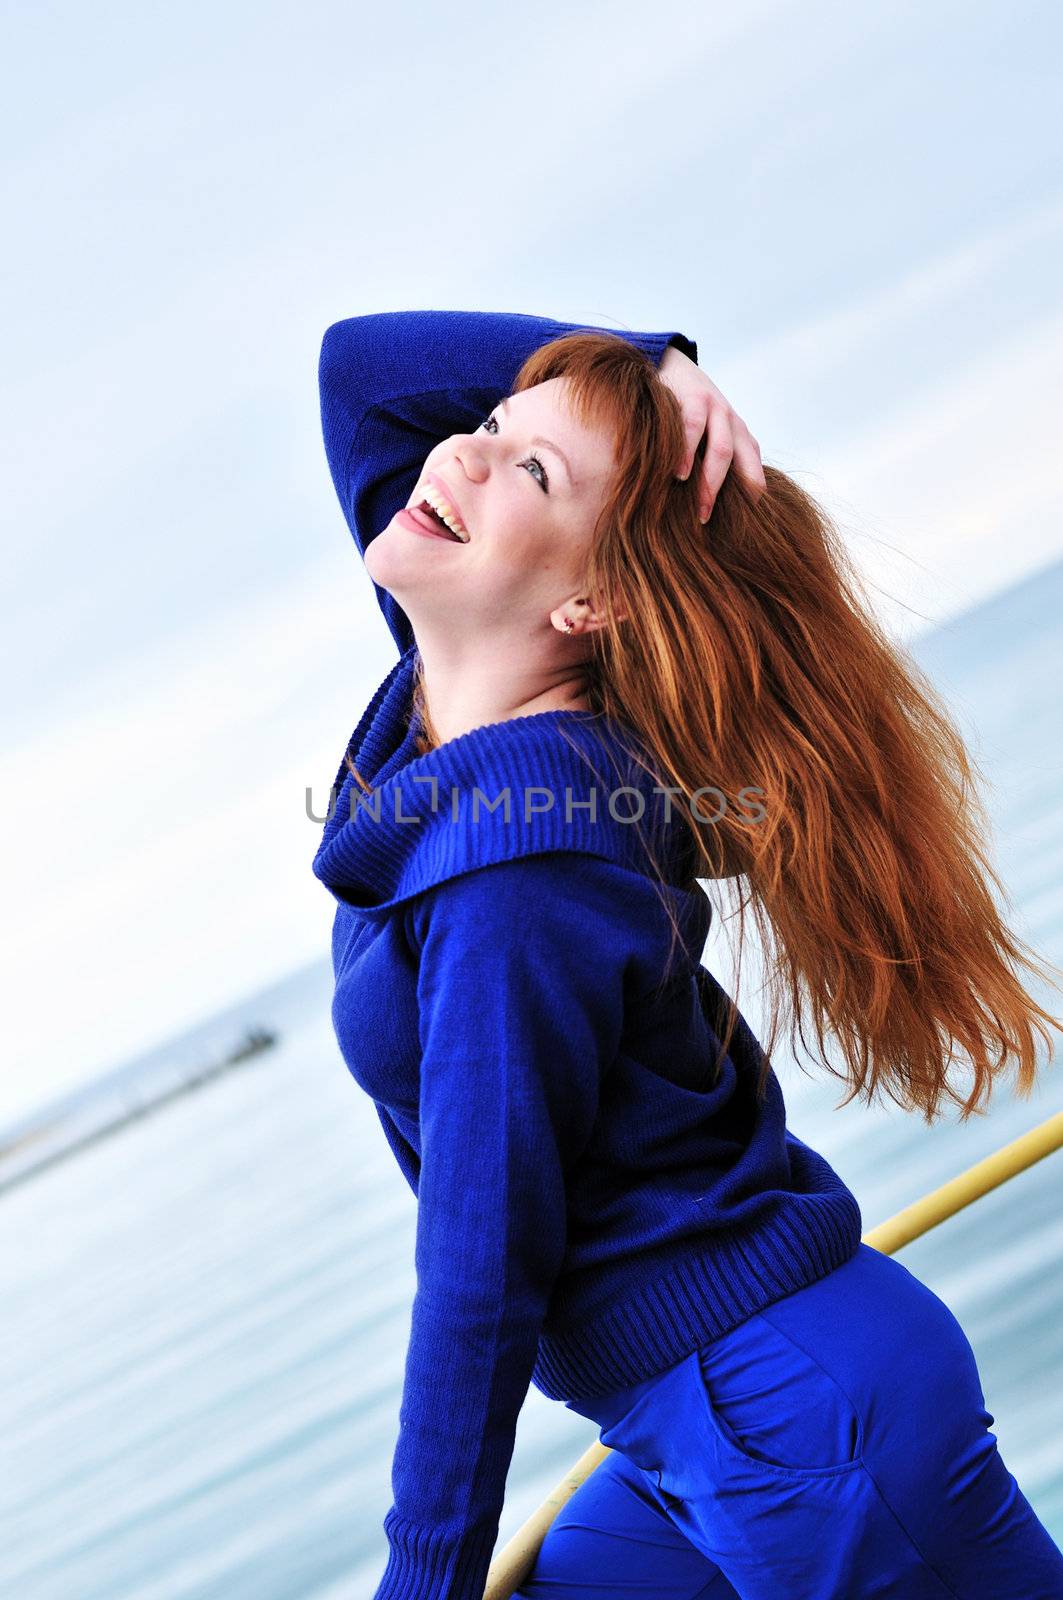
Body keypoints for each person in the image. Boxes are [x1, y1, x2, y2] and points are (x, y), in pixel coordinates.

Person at [310, 308, 1063, 1600]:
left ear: (591, 599)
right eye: (486, 429)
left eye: (531, 471)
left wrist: (419, 1581)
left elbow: (484, 1262)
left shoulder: (519, 858)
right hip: (696, 1424)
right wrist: (652, 361)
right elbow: (362, 371)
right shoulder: (449, 696)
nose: (464, 457)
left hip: (791, 1422)